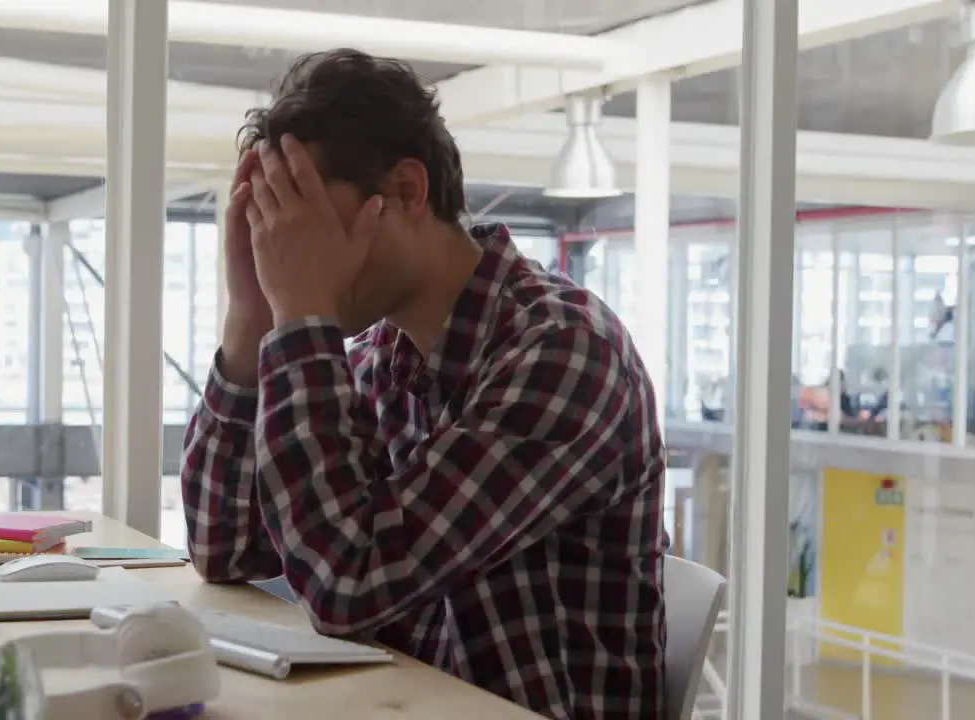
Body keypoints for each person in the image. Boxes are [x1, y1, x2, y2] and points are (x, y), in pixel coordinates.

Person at [181, 48, 667, 720]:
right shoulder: (387, 353)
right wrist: (249, 323)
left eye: (306, 218)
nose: (284, 247)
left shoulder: (564, 352)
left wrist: (299, 318)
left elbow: (347, 584)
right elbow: (227, 548)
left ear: (408, 191)